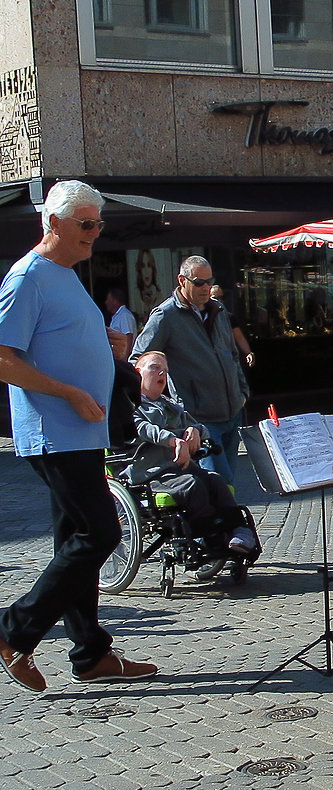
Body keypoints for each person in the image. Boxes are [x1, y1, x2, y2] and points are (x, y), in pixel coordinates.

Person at [0, 179, 158, 691]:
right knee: (101, 534)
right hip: (55, 432)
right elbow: (4, 359)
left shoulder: (65, 274)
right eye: (86, 224)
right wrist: (68, 392)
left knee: (75, 541)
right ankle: (12, 630)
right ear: (54, 223)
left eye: (99, 224)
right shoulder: (27, 277)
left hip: (81, 433)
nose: (95, 233)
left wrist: (106, 347)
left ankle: (90, 652)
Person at [131, 256, 249, 483]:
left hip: (232, 413)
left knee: (229, 482)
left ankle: (223, 517)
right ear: (181, 281)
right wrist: (155, 397)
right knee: (218, 481)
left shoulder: (219, 310)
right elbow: (138, 360)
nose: (206, 287)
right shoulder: (166, 315)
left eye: (209, 281)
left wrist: (242, 394)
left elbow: (232, 355)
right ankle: (220, 519)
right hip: (199, 419)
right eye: (198, 282)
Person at [127, 352, 257, 552]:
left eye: (165, 370)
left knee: (215, 480)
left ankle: (239, 530)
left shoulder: (168, 404)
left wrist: (195, 431)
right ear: (138, 372)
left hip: (180, 469)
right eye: (154, 367)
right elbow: (143, 429)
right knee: (192, 485)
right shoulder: (131, 405)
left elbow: (199, 426)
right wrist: (174, 440)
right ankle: (211, 534)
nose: (162, 372)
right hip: (152, 473)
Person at [210, 284, 254, 367]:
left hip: (226, 358)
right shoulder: (201, 316)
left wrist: (248, 352)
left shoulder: (228, 317)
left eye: (221, 298)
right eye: (215, 298)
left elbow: (239, 337)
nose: (219, 301)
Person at [105, 286, 137, 360]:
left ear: (115, 301)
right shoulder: (117, 316)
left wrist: (124, 359)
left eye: (108, 299)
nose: (106, 302)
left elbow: (129, 336)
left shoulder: (124, 315)